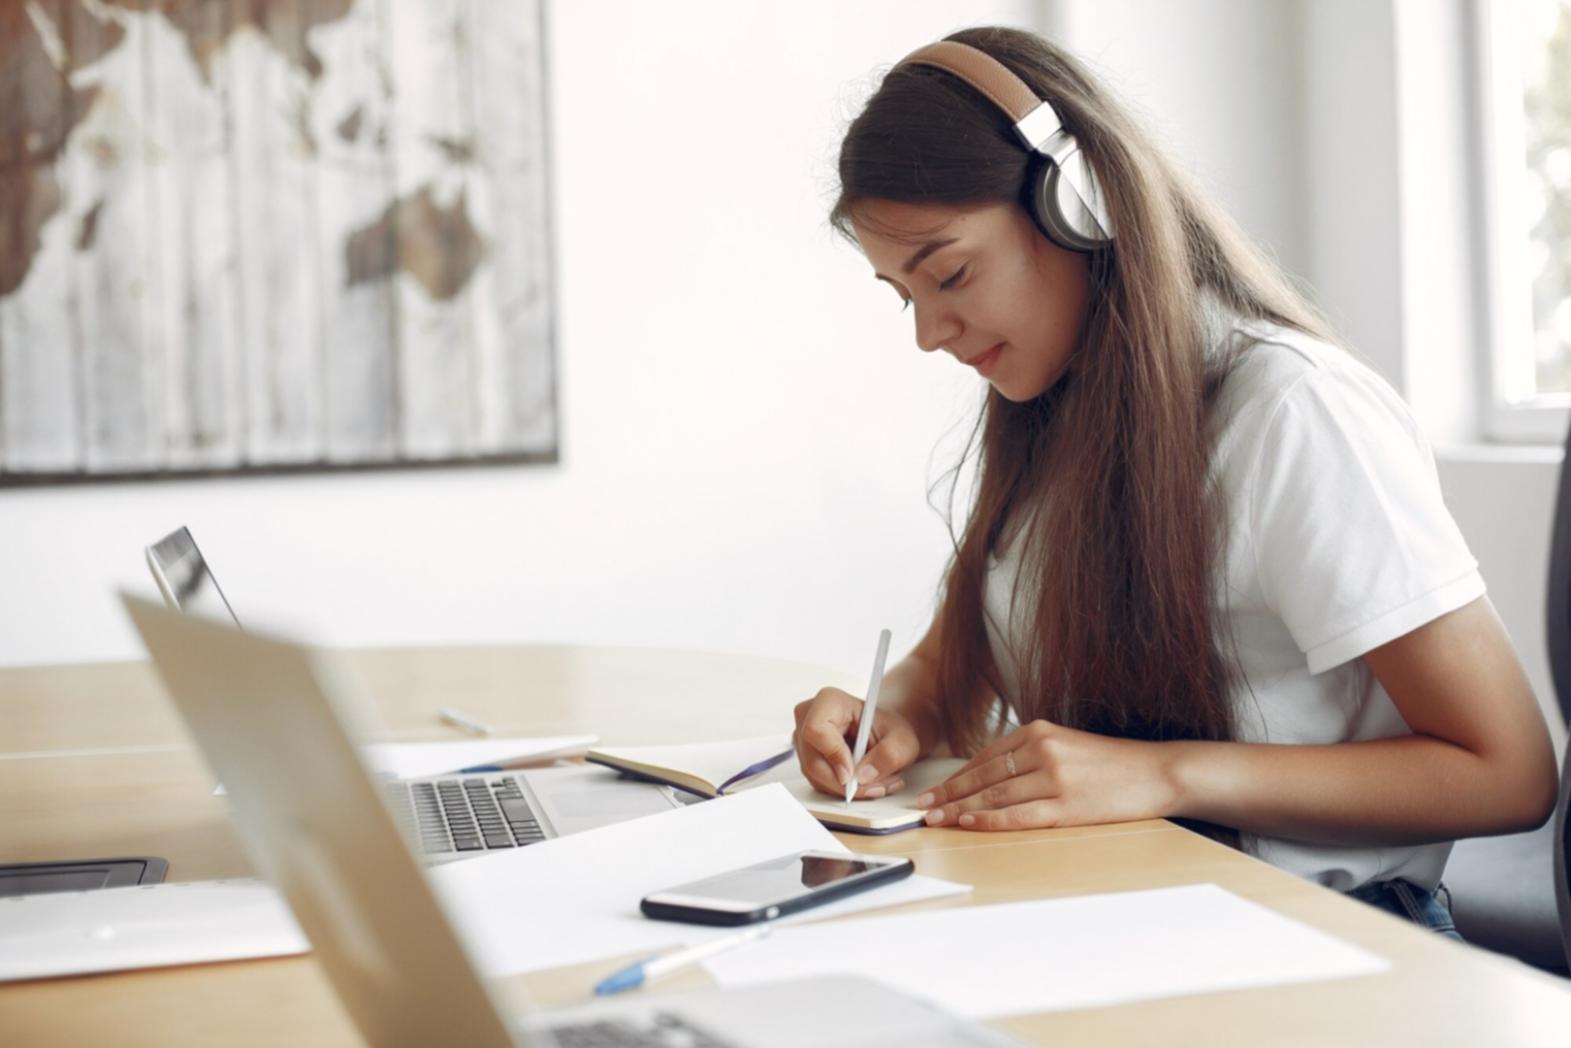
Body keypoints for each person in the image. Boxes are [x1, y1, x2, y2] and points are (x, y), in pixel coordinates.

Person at [792, 26, 1559, 935]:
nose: (928, 334)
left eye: (949, 273)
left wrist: (1164, 773)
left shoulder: (1290, 414)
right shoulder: (1048, 409)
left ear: (1077, 204)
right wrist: (897, 718)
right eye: (903, 296)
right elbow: (960, 660)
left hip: (1323, 933)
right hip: (1128, 915)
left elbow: (1506, 771)